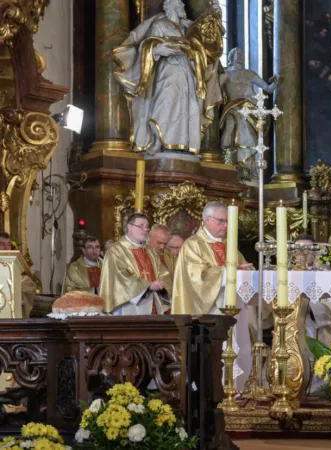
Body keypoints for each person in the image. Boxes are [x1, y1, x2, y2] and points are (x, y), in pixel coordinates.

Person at [111, 0, 223, 154]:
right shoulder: (160, 25)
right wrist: (158, 50)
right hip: (167, 70)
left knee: (185, 108)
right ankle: (157, 142)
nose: (183, 7)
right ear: (170, 6)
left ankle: (184, 143)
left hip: (187, 72)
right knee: (164, 104)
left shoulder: (187, 26)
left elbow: (205, 42)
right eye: (180, 4)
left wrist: (215, 17)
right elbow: (147, 45)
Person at [171, 201, 254, 390]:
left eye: (227, 221)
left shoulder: (229, 245)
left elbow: (243, 268)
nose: (225, 226)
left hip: (236, 309)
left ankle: (238, 387)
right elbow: (196, 278)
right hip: (210, 310)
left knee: (238, 344)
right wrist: (227, 271)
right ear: (206, 219)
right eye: (221, 221)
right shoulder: (193, 245)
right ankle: (216, 389)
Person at [99, 214, 172, 315]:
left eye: (147, 226)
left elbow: (163, 272)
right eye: (141, 226)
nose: (145, 229)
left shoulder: (150, 251)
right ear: (130, 227)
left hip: (153, 303)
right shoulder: (116, 251)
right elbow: (120, 278)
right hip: (128, 306)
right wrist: (148, 286)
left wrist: (161, 283)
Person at [0, 232, 36, 317]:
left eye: (8, 245)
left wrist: (17, 286)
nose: (6, 248)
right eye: (1, 244)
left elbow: (29, 287)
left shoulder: (18, 268)